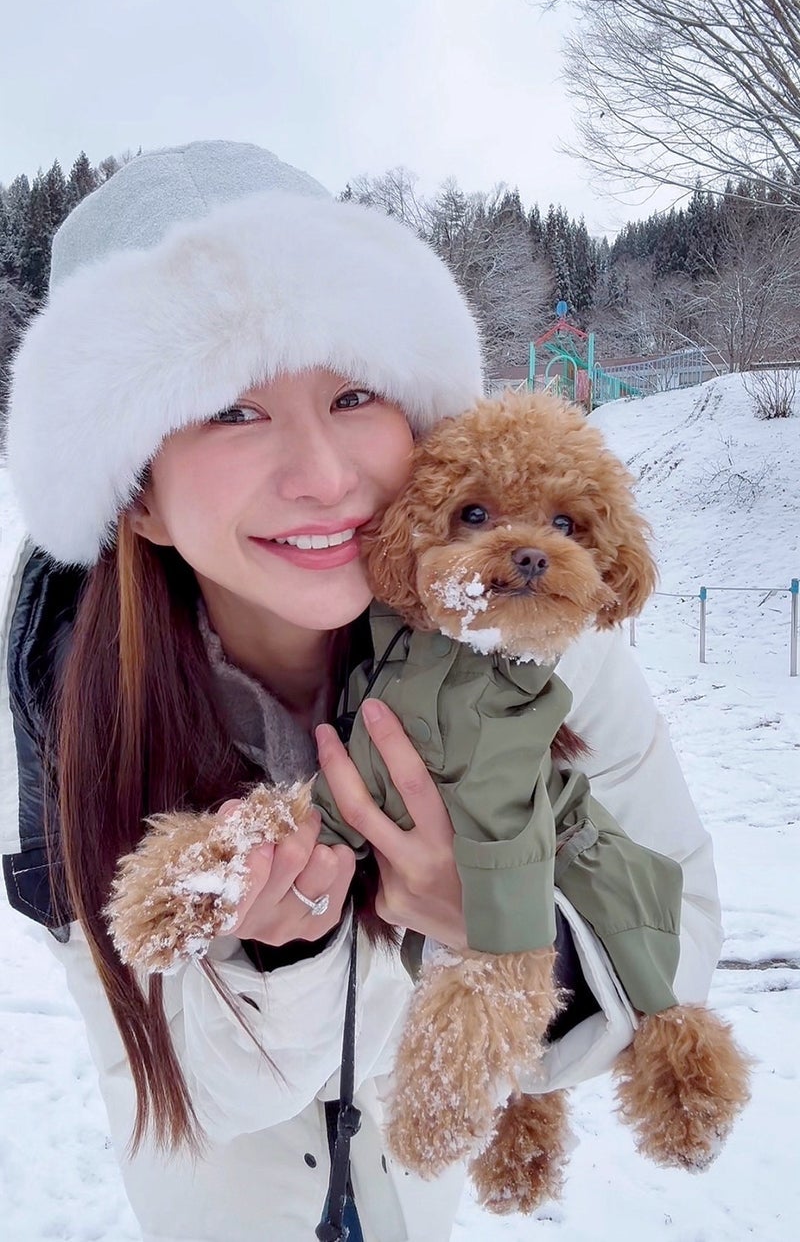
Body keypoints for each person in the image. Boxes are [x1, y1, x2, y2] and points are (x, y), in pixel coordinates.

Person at [0, 141, 724, 1242]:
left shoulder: (529, 640)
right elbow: (182, 1085)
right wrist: (281, 955)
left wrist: (502, 924)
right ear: (135, 494)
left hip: (418, 1176)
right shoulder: (68, 695)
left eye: (352, 392)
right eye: (230, 410)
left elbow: (677, 921)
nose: (326, 475)